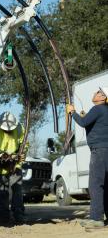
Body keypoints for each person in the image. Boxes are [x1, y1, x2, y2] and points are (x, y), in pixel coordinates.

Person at [67, 87, 108, 229]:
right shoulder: (104, 110)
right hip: (106, 151)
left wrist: (72, 112)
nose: (95, 93)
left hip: (100, 151)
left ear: (103, 98)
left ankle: (96, 219)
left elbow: (83, 123)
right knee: (105, 185)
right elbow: (92, 122)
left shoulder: (97, 109)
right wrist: (83, 116)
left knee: (95, 185)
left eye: (98, 92)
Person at [0, 111, 29, 224]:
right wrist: (1, 156)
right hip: (0, 165)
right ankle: (4, 217)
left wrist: (19, 155)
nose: (7, 131)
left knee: (17, 191)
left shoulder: (19, 128)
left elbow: (25, 144)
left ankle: (18, 215)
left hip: (15, 164)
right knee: (2, 192)